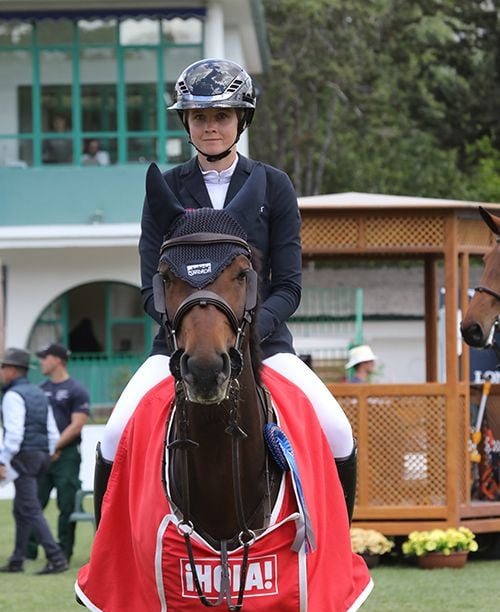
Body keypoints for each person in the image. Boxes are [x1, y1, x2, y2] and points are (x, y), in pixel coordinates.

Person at [97, 58, 357, 523]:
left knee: (337, 430)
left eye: (220, 116)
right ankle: (107, 559)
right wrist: (188, 331)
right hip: (179, 345)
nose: (210, 127)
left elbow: (290, 286)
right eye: (200, 117)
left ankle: (339, 549)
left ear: (241, 120)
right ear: (186, 122)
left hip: (266, 345)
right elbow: (149, 287)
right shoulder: (167, 188)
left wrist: (247, 332)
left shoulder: (274, 185)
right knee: (115, 435)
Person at [0, 348, 68, 574]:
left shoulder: (12, 395)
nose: (1, 372)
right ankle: (17, 559)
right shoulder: (39, 393)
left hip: (24, 455)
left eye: (3, 367)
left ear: (11, 370)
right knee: (22, 508)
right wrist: (50, 451)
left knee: (29, 508)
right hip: (41, 455)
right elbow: (52, 430)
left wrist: (2, 459)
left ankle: (56, 558)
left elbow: (14, 434)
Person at [28, 343, 90, 562]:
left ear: (57, 360)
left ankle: (63, 553)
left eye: (45, 358)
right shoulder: (39, 390)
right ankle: (29, 551)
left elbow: (77, 425)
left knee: (67, 504)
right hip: (42, 455)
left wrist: (54, 447)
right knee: (33, 502)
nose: (42, 362)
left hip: (67, 457)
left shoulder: (77, 390)